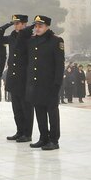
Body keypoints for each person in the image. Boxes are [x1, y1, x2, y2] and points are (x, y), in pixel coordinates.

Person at [27, 15, 64, 151]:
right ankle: (43, 138)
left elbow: (59, 65)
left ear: (47, 26)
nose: (37, 28)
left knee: (52, 113)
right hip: (36, 84)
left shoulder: (55, 41)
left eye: (40, 26)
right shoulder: (32, 41)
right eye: (35, 26)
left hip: (50, 85)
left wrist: (57, 84)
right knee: (39, 112)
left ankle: (54, 140)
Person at [3, 14, 35, 143]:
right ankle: (19, 131)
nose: (15, 25)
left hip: (24, 78)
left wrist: (27, 30)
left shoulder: (29, 38)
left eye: (18, 23)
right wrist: (7, 26)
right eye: (14, 23)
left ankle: (27, 134)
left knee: (26, 108)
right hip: (13, 77)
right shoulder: (12, 36)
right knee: (16, 108)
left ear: (24, 24)